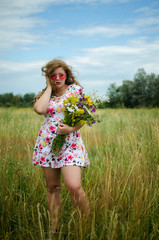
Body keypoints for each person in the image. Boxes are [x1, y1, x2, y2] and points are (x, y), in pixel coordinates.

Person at [32, 59, 90, 237]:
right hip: (47, 144)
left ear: (67, 75)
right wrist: (49, 87)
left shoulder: (75, 90)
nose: (58, 78)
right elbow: (40, 110)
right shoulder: (45, 94)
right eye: (53, 75)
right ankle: (54, 228)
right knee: (52, 187)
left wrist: (71, 129)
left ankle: (85, 226)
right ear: (49, 77)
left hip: (70, 143)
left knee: (73, 186)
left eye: (61, 75)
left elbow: (84, 115)